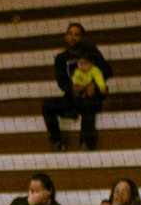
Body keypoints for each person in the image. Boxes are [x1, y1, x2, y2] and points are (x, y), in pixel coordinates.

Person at [41, 23, 115, 152]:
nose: (72, 37)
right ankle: (56, 141)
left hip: (90, 97)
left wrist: (93, 84)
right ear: (65, 37)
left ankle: (86, 143)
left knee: (88, 104)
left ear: (82, 38)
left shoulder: (91, 51)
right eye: (70, 34)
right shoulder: (61, 58)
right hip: (72, 98)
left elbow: (108, 70)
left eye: (76, 35)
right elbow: (62, 83)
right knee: (47, 104)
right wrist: (74, 88)